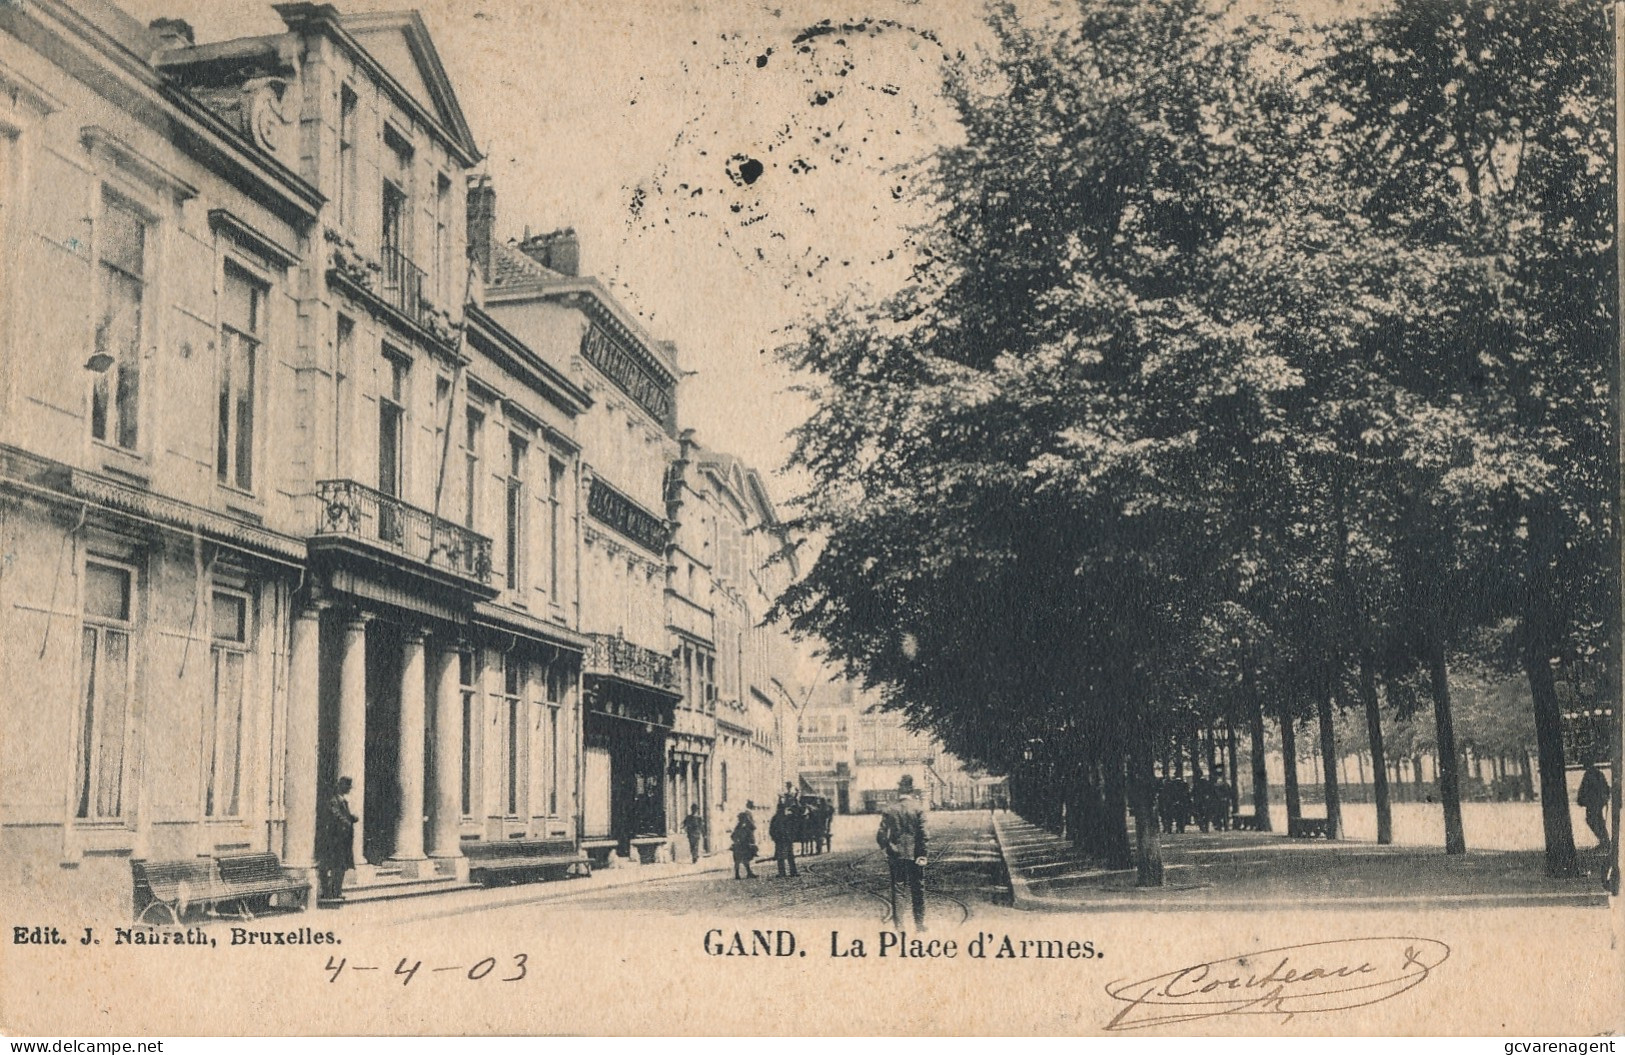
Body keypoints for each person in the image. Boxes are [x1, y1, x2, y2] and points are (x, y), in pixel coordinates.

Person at [877, 776, 928, 930]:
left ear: (899, 790)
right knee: (918, 888)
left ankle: (899, 926)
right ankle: (919, 924)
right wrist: (922, 854)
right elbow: (924, 834)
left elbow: (881, 834)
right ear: (911, 790)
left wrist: (887, 849)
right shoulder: (918, 809)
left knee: (898, 889)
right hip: (916, 854)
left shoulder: (890, 809)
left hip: (896, 854)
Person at [316, 776, 358, 903]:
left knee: (340, 866)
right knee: (331, 866)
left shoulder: (343, 801)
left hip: (342, 840)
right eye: (347, 787)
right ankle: (329, 892)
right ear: (340, 787)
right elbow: (336, 814)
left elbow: (344, 815)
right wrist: (347, 821)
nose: (349, 790)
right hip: (334, 840)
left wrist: (352, 818)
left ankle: (336, 892)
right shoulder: (334, 800)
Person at [1578, 762, 1611, 850]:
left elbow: (1584, 788)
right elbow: (1607, 788)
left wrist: (1581, 799)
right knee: (1597, 820)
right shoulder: (1598, 773)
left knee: (1593, 820)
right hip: (1596, 802)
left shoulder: (1590, 774)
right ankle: (1605, 841)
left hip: (1593, 802)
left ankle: (1605, 842)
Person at [769, 801, 799, 877]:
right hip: (786, 839)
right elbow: (793, 827)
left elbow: (771, 830)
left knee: (781, 857)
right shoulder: (787, 817)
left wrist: (775, 838)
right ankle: (793, 872)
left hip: (780, 840)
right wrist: (791, 837)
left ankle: (782, 873)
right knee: (790, 856)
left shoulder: (775, 818)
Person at [729, 810, 758, 880]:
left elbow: (754, 828)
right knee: (739, 860)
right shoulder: (740, 826)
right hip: (742, 845)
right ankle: (738, 874)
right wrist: (737, 840)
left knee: (743, 860)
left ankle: (747, 873)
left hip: (743, 845)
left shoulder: (745, 825)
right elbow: (733, 835)